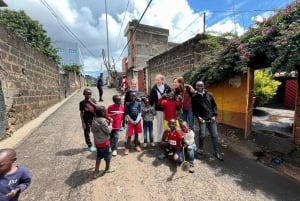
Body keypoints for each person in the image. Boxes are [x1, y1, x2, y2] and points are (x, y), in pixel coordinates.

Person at [191, 81, 224, 161]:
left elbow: (214, 106)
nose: (200, 87)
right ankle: (201, 149)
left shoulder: (210, 94)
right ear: (196, 87)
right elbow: (194, 110)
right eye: (198, 86)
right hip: (202, 120)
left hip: (211, 119)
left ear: (204, 86)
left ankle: (217, 152)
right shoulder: (194, 97)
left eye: (201, 86)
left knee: (214, 135)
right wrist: (198, 117)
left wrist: (214, 115)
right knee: (202, 135)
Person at [91, 106, 116, 178]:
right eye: (106, 112)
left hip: (97, 143)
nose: (107, 113)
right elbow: (108, 131)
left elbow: (93, 130)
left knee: (99, 156)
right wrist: (110, 124)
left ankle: (96, 171)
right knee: (108, 156)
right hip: (105, 143)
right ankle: (107, 168)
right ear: (103, 113)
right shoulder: (104, 121)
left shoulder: (94, 120)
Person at [149, 74, 171, 142]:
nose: (157, 81)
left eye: (158, 80)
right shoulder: (154, 89)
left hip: (167, 109)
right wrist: (150, 106)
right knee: (159, 124)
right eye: (156, 80)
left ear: (162, 80)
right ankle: (159, 139)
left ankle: (167, 138)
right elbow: (151, 99)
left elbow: (171, 96)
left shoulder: (167, 87)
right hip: (159, 109)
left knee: (167, 123)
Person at [79, 88, 97, 152]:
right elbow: (81, 113)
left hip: (94, 119)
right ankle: (90, 145)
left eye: (90, 94)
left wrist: (91, 102)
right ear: (84, 94)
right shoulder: (82, 103)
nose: (89, 95)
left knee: (96, 132)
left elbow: (97, 107)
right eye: (87, 94)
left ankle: (97, 144)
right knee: (87, 133)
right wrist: (83, 122)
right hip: (86, 120)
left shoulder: (93, 100)